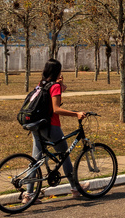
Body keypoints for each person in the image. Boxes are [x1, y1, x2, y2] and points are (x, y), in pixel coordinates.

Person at [28, 58, 87, 202]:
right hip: (51, 126)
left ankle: (28, 195)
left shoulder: (41, 84)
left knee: (36, 160)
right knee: (64, 155)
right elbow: (56, 109)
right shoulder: (54, 87)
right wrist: (76, 113)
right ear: (56, 71)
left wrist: (61, 86)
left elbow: (52, 101)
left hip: (37, 125)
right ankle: (75, 187)